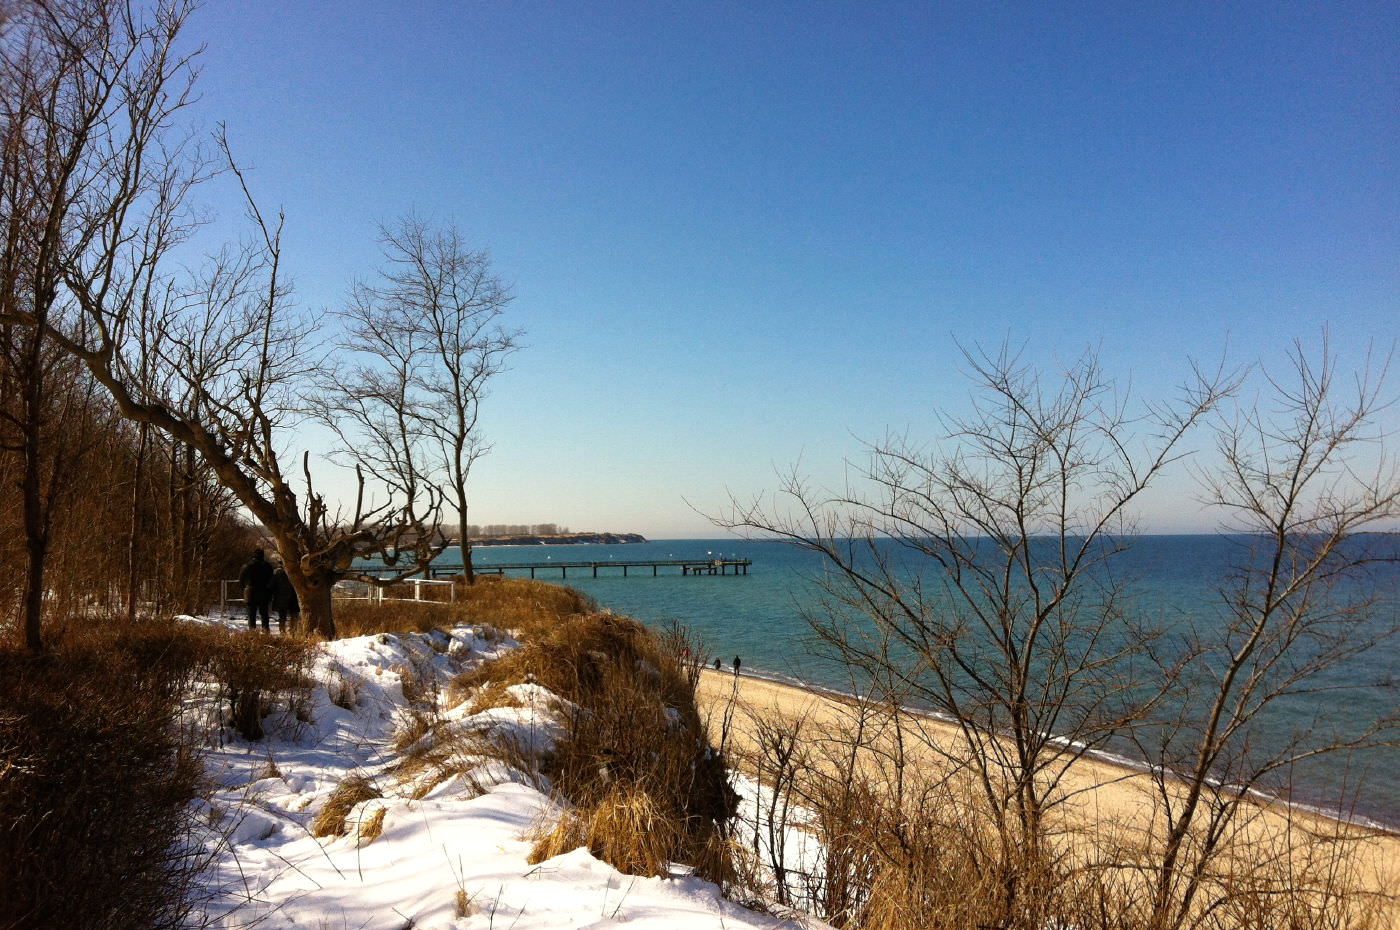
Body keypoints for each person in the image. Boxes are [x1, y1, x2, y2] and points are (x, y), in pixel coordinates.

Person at [238, 548, 274, 632]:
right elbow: (271, 580)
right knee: (264, 614)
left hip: (250, 592)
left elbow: (241, 580)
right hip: (264, 592)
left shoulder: (246, 566)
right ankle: (266, 631)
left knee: (251, 614)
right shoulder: (267, 566)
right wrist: (270, 592)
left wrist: (245, 589)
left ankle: (252, 632)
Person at [271, 564, 300, 634]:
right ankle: (293, 632)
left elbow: (271, 585)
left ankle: (282, 632)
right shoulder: (297, 573)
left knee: (282, 617)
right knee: (294, 616)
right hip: (294, 598)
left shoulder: (277, 574)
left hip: (281, 598)